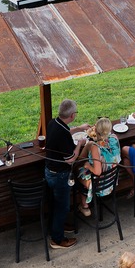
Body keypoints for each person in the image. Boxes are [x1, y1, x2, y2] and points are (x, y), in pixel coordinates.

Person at [44, 99, 90, 249]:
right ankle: (57, 240)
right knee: (62, 207)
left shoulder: (53, 122)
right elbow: (70, 160)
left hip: (49, 171)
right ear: (72, 115)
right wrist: (80, 145)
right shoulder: (62, 134)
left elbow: (65, 131)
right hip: (60, 175)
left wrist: (79, 128)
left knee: (56, 204)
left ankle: (58, 226)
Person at [76, 117, 121, 217]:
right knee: (85, 171)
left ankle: (84, 205)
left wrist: (88, 165)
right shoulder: (114, 139)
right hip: (112, 181)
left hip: (101, 186)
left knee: (78, 171)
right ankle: (85, 204)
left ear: (95, 130)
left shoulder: (95, 148)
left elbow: (97, 172)